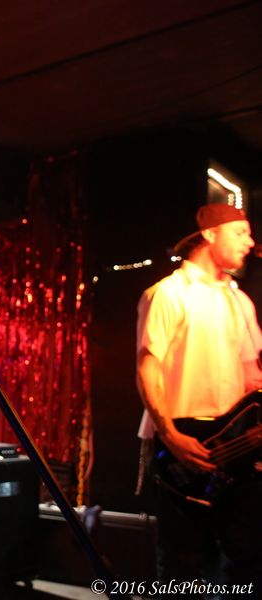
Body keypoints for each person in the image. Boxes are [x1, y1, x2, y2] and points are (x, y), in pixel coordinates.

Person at [136, 203, 262, 595]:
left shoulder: (240, 302)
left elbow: (252, 379)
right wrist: (170, 435)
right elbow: (148, 368)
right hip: (183, 441)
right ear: (210, 234)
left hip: (236, 448)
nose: (250, 242)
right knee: (182, 561)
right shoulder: (169, 293)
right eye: (240, 233)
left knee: (243, 557)